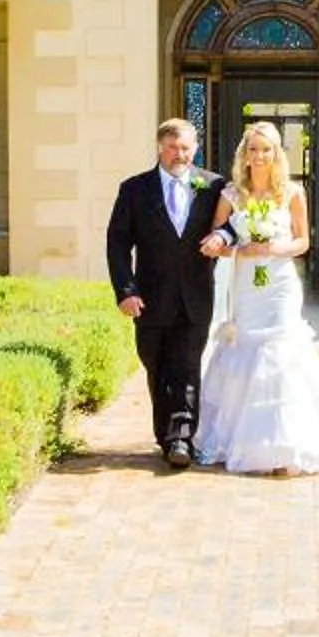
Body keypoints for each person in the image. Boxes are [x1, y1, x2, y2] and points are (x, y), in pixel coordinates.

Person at [193, 122, 319, 477]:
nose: (259, 156)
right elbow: (218, 241)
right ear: (244, 154)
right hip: (247, 285)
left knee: (279, 351)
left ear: (277, 154)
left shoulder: (291, 192)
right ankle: (242, 442)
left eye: (267, 149)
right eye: (253, 149)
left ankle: (287, 448)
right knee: (245, 347)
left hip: (278, 286)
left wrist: (274, 248)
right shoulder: (231, 194)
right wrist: (240, 249)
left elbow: (302, 242)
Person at [106, 118, 230, 467]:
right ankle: (166, 434)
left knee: (187, 368)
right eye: (173, 147)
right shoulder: (134, 189)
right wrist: (125, 290)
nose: (180, 154)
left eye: (186, 147)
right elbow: (117, 243)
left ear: (196, 148)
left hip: (195, 297)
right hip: (149, 298)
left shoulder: (214, 186)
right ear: (161, 148)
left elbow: (233, 226)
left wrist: (222, 240)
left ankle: (182, 439)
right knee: (156, 366)